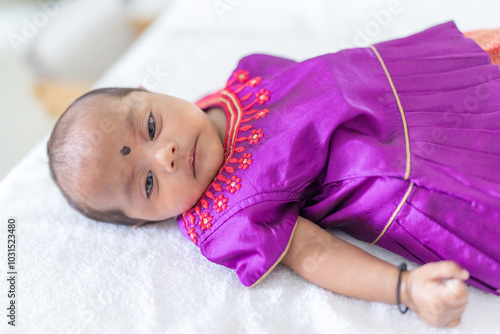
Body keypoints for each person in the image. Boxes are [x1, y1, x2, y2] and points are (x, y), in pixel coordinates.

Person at [47, 21, 500, 328]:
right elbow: (313, 253)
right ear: (147, 220)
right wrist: (405, 287)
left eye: (149, 126)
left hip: (411, 77)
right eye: (147, 184)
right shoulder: (227, 214)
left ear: (152, 92)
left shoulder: (235, 84)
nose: (164, 155)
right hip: (409, 166)